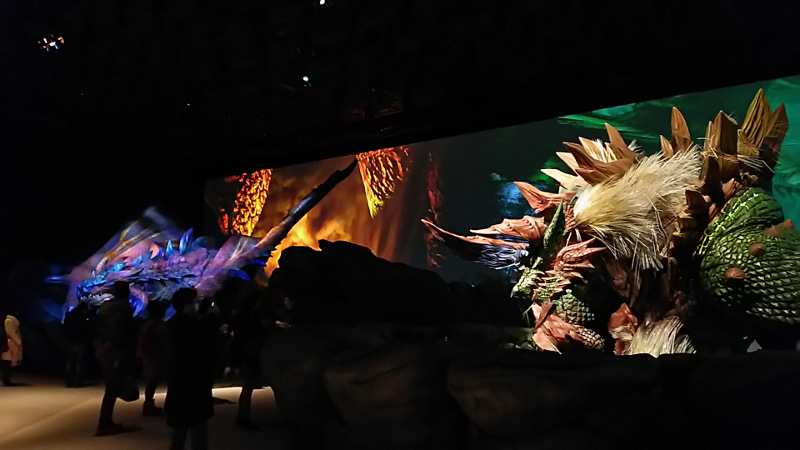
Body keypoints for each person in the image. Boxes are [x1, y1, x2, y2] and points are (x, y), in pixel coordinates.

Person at [165, 288, 214, 450]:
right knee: (198, 423)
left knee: (180, 426)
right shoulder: (193, 326)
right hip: (194, 380)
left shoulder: (172, 324)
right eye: (194, 302)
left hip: (178, 381)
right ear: (186, 305)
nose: (196, 305)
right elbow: (202, 351)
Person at [94, 281, 137, 436]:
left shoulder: (106, 306)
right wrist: (123, 351)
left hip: (104, 346)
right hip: (115, 349)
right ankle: (104, 423)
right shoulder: (122, 307)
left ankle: (106, 421)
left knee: (111, 386)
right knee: (113, 387)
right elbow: (119, 330)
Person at [137, 301, 170, 416]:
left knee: (152, 380)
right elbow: (165, 342)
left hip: (149, 355)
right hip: (156, 356)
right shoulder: (159, 325)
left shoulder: (148, 324)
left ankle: (148, 404)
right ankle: (149, 405)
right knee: (155, 380)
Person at [64, 302, 94, 388]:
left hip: (69, 341)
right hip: (80, 342)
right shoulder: (83, 317)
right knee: (80, 363)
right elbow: (86, 329)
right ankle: (77, 382)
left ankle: (68, 382)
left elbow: (65, 327)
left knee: (70, 362)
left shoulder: (69, 315)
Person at [1, 311, 23, 386]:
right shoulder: (9, 321)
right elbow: (11, 333)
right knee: (6, 363)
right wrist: (18, 342)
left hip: (11, 342)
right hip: (10, 343)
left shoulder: (10, 320)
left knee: (7, 363)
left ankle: (6, 379)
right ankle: (5, 380)